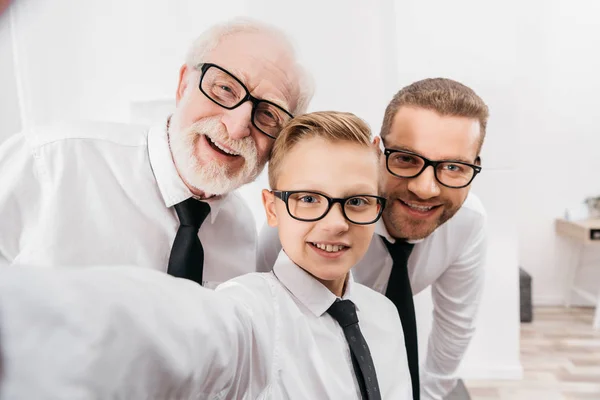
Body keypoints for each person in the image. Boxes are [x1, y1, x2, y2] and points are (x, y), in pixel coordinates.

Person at [0, 111, 412, 399]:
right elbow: (151, 333)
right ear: (272, 208)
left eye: (357, 201)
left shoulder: (383, 314)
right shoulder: (250, 314)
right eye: (307, 198)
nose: (335, 223)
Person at [0, 18, 313, 288]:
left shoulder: (241, 231)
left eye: (269, 115)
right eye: (225, 88)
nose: (236, 127)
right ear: (182, 86)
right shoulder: (54, 162)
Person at [258, 78, 489, 400]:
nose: (425, 188)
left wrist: (429, 395)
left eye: (453, 167)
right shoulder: (300, 223)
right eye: (406, 159)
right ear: (377, 152)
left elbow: (456, 325)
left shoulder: (468, 222)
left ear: (474, 168)